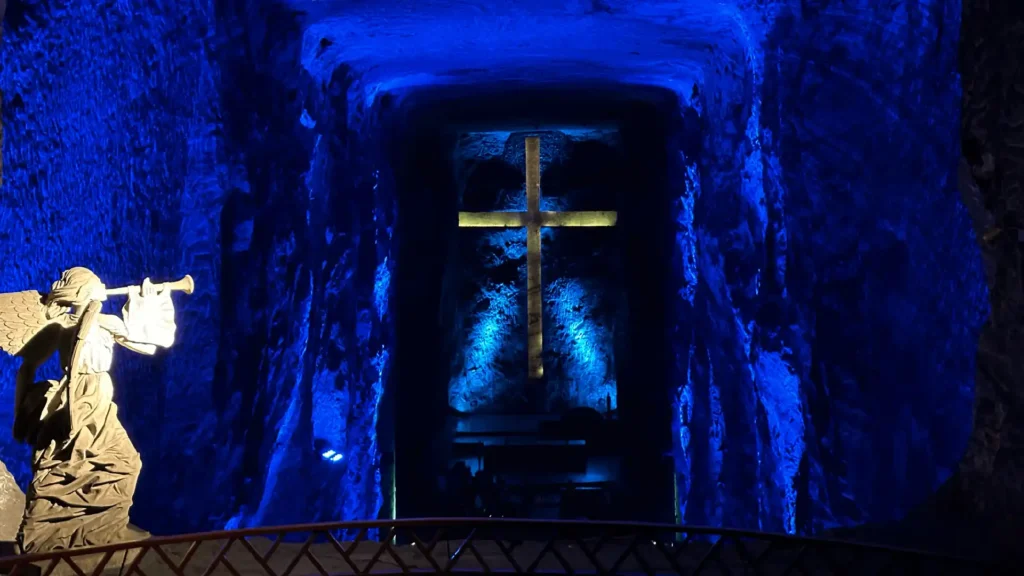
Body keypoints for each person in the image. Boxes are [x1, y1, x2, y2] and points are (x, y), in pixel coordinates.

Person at [6, 268, 175, 552]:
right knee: (98, 462)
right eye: (97, 284)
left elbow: (148, 345)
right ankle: (61, 535)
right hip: (81, 400)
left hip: (92, 398)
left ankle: (96, 531)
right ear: (85, 291)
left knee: (110, 463)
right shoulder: (69, 325)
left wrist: (146, 301)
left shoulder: (87, 324)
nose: (104, 287)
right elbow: (28, 367)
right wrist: (21, 416)